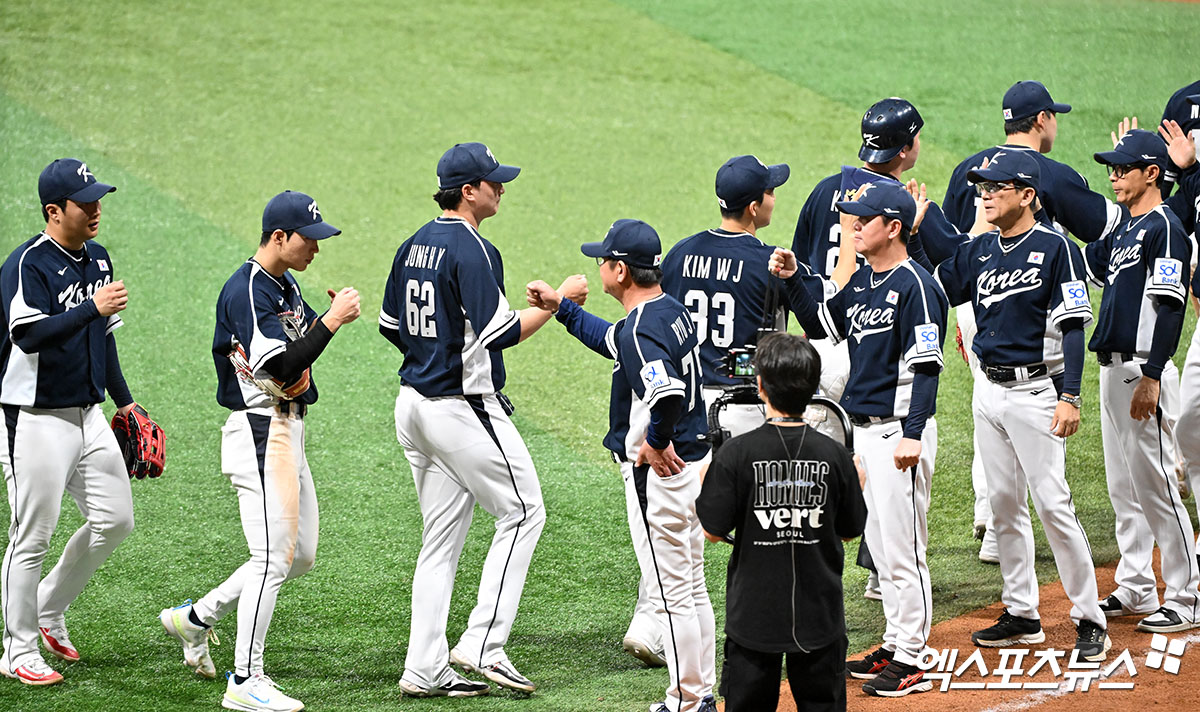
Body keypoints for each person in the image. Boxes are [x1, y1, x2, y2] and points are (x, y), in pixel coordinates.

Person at [380, 143, 585, 697]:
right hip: (461, 407)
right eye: (494, 182)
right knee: (524, 512)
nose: (502, 188)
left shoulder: (412, 243)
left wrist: (436, 350)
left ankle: (423, 668)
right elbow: (503, 333)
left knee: (440, 542)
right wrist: (560, 301)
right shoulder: (475, 250)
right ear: (468, 191)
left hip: (412, 406)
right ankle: (483, 645)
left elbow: (390, 325)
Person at [159, 190, 360, 712]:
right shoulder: (247, 289)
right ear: (279, 238)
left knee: (300, 555)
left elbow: (301, 351)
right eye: (309, 239)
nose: (316, 248)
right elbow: (282, 367)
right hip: (258, 431)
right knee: (271, 557)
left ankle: (197, 617)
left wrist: (325, 325)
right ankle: (245, 680)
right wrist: (332, 321)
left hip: (287, 430)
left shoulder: (284, 284)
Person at [911, 150, 1109, 660]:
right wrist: (917, 227)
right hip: (988, 393)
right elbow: (940, 279)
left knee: (1053, 505)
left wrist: (1070, 396)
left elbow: (1072, 324)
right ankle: (1022, 612)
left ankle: (1090, 618)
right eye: (982, 188)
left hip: (1036, 393)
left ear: (1027, 195)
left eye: (997, 187)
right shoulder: (980, 251)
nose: (985, 195)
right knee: (1003, 506)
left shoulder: (1055, 247)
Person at [636, 155, 830, 667]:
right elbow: (817, 327)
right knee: (763, 528)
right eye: (770, 191)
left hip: (686, 409)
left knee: (678, 523)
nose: (774, 197)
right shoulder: (769, 260)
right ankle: (766, 626)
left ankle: (655, 619)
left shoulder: (677, 255)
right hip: (744, 411)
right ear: (753, 206)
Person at [526, 219, 716, 712]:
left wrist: (656, 440)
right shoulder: (669, 309)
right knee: (692, 587)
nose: (600, 268)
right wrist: (562, 308)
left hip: (662, 477)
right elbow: (614, 340)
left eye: (603, 262)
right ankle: (702, 692)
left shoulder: (640, 328)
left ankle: (686, 701)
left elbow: (665, 391)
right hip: (696, 465)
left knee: (674, 592)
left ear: (621, 270)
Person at [770, 182, 947, 698]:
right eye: (851, 218)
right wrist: (794, 279)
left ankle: (914, 656)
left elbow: (928, 365)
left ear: (893, 227)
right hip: (865, 434)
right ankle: (895, 642)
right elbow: (824, 323)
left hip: (898, 434)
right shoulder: (868, 280)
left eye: (863, 219)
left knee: (903, 551)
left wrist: (913, 434)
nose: (852, 226)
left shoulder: (917, 285)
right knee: (880, 546)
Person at [939, 81, 1122, 563]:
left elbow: (954, 246)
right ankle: (1016, 518)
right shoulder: (1047, 174)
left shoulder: (966, 171)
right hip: (1030, 302)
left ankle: (992, 516)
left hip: (973, 300)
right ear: (1042, 120)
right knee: (1027, 398)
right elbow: (1112, 226)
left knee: (990, 400)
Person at [0, 158, 136, 686]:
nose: (97, 209)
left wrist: (125, 402)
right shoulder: (26, 264)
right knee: (31, 535)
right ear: (55, 211)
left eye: (99, 199)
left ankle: (49, 606)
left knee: (116, 519)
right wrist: (91, 308)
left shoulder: (97, 259)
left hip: (88, 414)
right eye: (87, 202)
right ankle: (17, 649)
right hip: (33, 419)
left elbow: (106, 335)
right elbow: (28, 335)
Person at [695, 331, 866, 712]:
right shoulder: (836, 456)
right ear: (811, 388)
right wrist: (858, 484)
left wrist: (710, 482)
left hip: (754, 617)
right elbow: (851, 530)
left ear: (760, 386)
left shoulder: (736, 454)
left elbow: (711, 530)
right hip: (820, 616)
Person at [1084, 129, 1200, 632]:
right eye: (1111, 167)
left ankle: (1188, 594)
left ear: (1152, 174)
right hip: (1112, 370)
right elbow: (1087, 264)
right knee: (1123, 487)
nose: (1113, 175)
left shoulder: (1165, 227)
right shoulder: (1125, 228)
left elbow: (1172, 306)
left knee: (1156, 486)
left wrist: (1153, 375)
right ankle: (1136, 586)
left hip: (1141, 372)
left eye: (1123, 168)